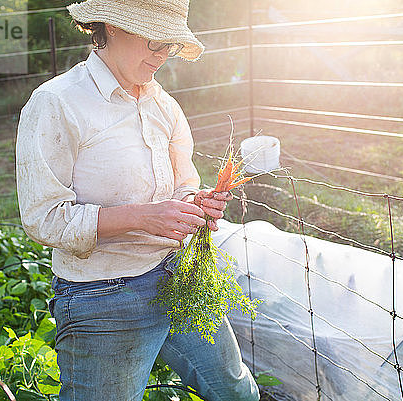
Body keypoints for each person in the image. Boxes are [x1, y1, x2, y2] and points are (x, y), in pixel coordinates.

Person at [15, 0, 260, 400]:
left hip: (179, 276)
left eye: (172, 46)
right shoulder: (57, 103)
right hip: (104, 298)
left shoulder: (162, 103)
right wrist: (141, 218)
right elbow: (44, 219)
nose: (163, 55)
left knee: (236, 391)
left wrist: (194, 203)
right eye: (156, 41)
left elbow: (181, 183)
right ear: (112, 27)